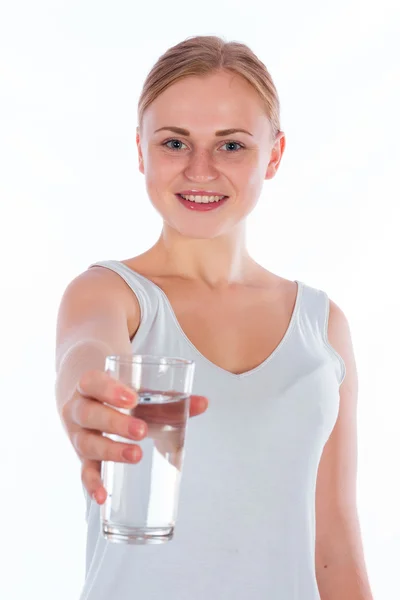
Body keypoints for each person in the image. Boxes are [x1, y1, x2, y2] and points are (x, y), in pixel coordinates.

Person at [55, 35, 373, 600]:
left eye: (231, 147)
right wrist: (87, 403)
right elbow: (87, 353)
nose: (200, 170)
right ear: (140, 152)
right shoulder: (110, 294)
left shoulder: (322, 327)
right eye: (175, 142)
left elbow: (335, 548)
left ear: (273, 155)